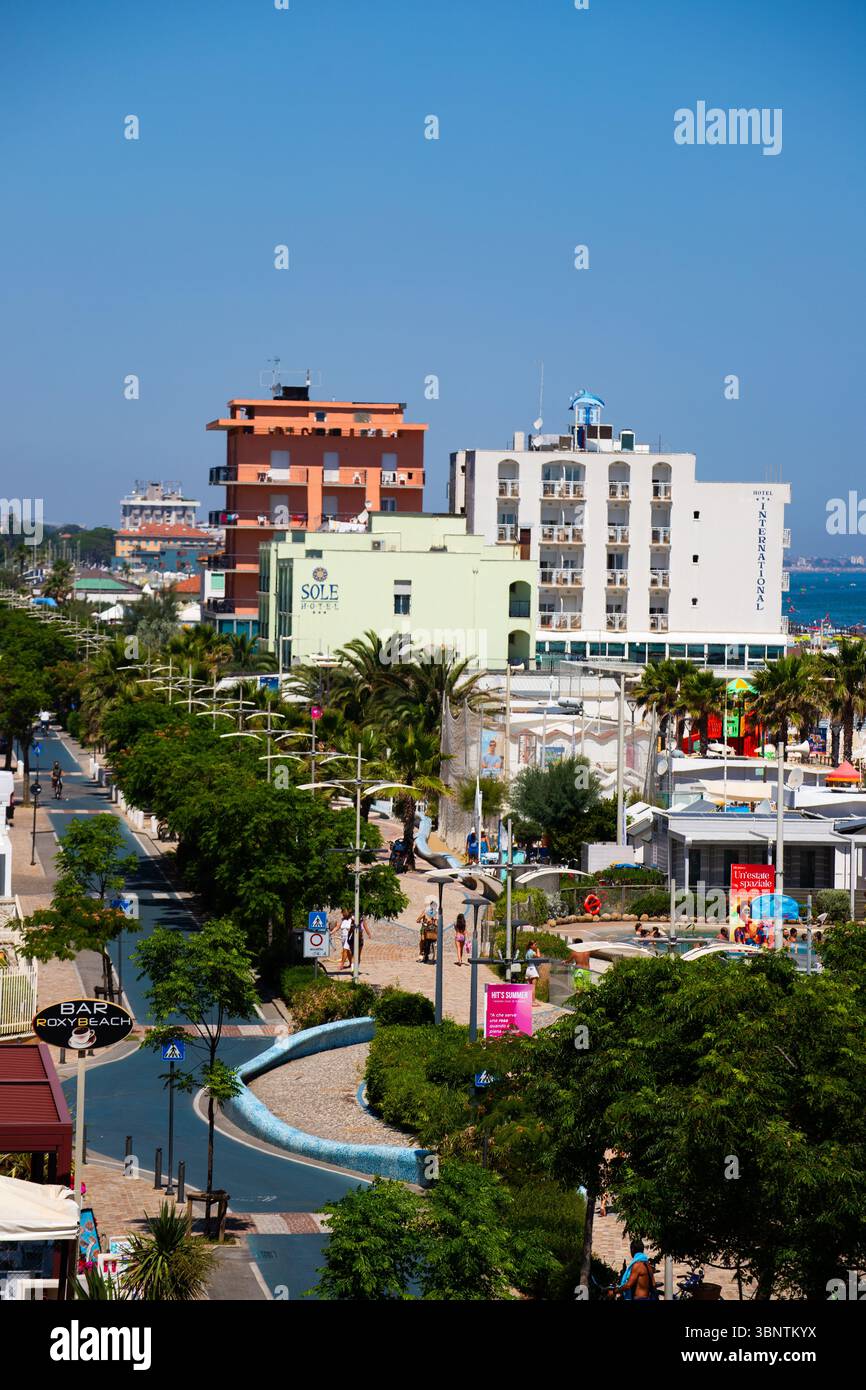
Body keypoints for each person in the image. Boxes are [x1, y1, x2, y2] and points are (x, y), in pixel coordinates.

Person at [417, 899, 438, 963]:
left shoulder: (429, 912)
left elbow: (418, 919)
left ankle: (422, 954)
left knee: (424, 941)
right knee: (424, 940)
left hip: (429, 930)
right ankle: (423, 953)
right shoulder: (433, 913)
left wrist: (419, 920)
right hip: (429, 930)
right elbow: (418, 919)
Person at [525, 939, 541, 1004]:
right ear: (531, 946)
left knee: (528, 987)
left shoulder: (527, 952)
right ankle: (533, 1001)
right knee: (533, 987)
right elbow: (538, 956)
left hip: (528, 969)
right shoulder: (532, 952)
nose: (535, 945)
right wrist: (538, 950)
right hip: (532, 969)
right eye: (535, 944)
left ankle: (528, 1000)